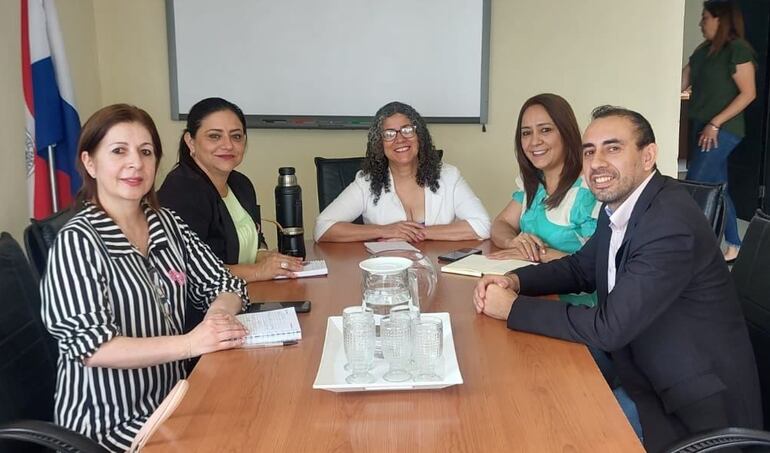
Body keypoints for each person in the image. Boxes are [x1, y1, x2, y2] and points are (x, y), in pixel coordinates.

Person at [473, 105, 761, 452]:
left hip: (690, 407)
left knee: (551, 431)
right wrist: (517, 281)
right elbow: (581, 268)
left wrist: (513, 309)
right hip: (643, 371)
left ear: (648, 156)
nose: (596, 163)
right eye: (589, 151)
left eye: (613, 148)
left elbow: (610, 327)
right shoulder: (623, 207)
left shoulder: (669, 221)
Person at [41, 104, 249, 452]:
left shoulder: (165, 223)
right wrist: (191, 343)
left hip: (174, 399)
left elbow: (226, 284)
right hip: (108, 427)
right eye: (119, 151)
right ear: (90, 162)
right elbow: (93, 347)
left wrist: (217, 318)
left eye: (146, 151)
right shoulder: (77, 241)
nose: (135, 163)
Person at [158, 97, 303, 282]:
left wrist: (267, 258)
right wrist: (258, 271)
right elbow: (187, 269)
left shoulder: (241, 184)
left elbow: (255, 240)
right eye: (214, 136)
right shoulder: (182, 190)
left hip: (246, 293)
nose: (228, 145)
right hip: (208, 308)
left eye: (236, 136)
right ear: (190, 141)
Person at [313, 101, 491, 242]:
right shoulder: (366, 182)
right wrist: (385, 230)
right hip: (386, 275)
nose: (400, 139)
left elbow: (483, 225)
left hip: (439, 272)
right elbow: (323, 228)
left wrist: (422, 233)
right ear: (379, 144)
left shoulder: (449, 176)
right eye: (389, 134)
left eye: (407, 130)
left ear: (419, 136)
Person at [489, 93, 599, 307]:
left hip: (573, 309)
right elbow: (500, 224)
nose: (534, 141)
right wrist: (513, 242)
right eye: (526, 133)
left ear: (566, 132)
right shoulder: (533, 183)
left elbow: (594, 269)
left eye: (545, 130)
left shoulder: (587, 191)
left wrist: (538, 253)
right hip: (530, 293)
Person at [682, 0, 756, 263]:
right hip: (701, 127)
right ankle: (734, 244)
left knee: (694, 187)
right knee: (718, 188)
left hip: (722, 130)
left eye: (705, 18)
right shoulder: (703, 50)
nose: (700, 23)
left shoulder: (737, 49)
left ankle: (692, 251)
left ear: (720, 19)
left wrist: (715, 123)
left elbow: (749, 93)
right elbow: (680, 80)